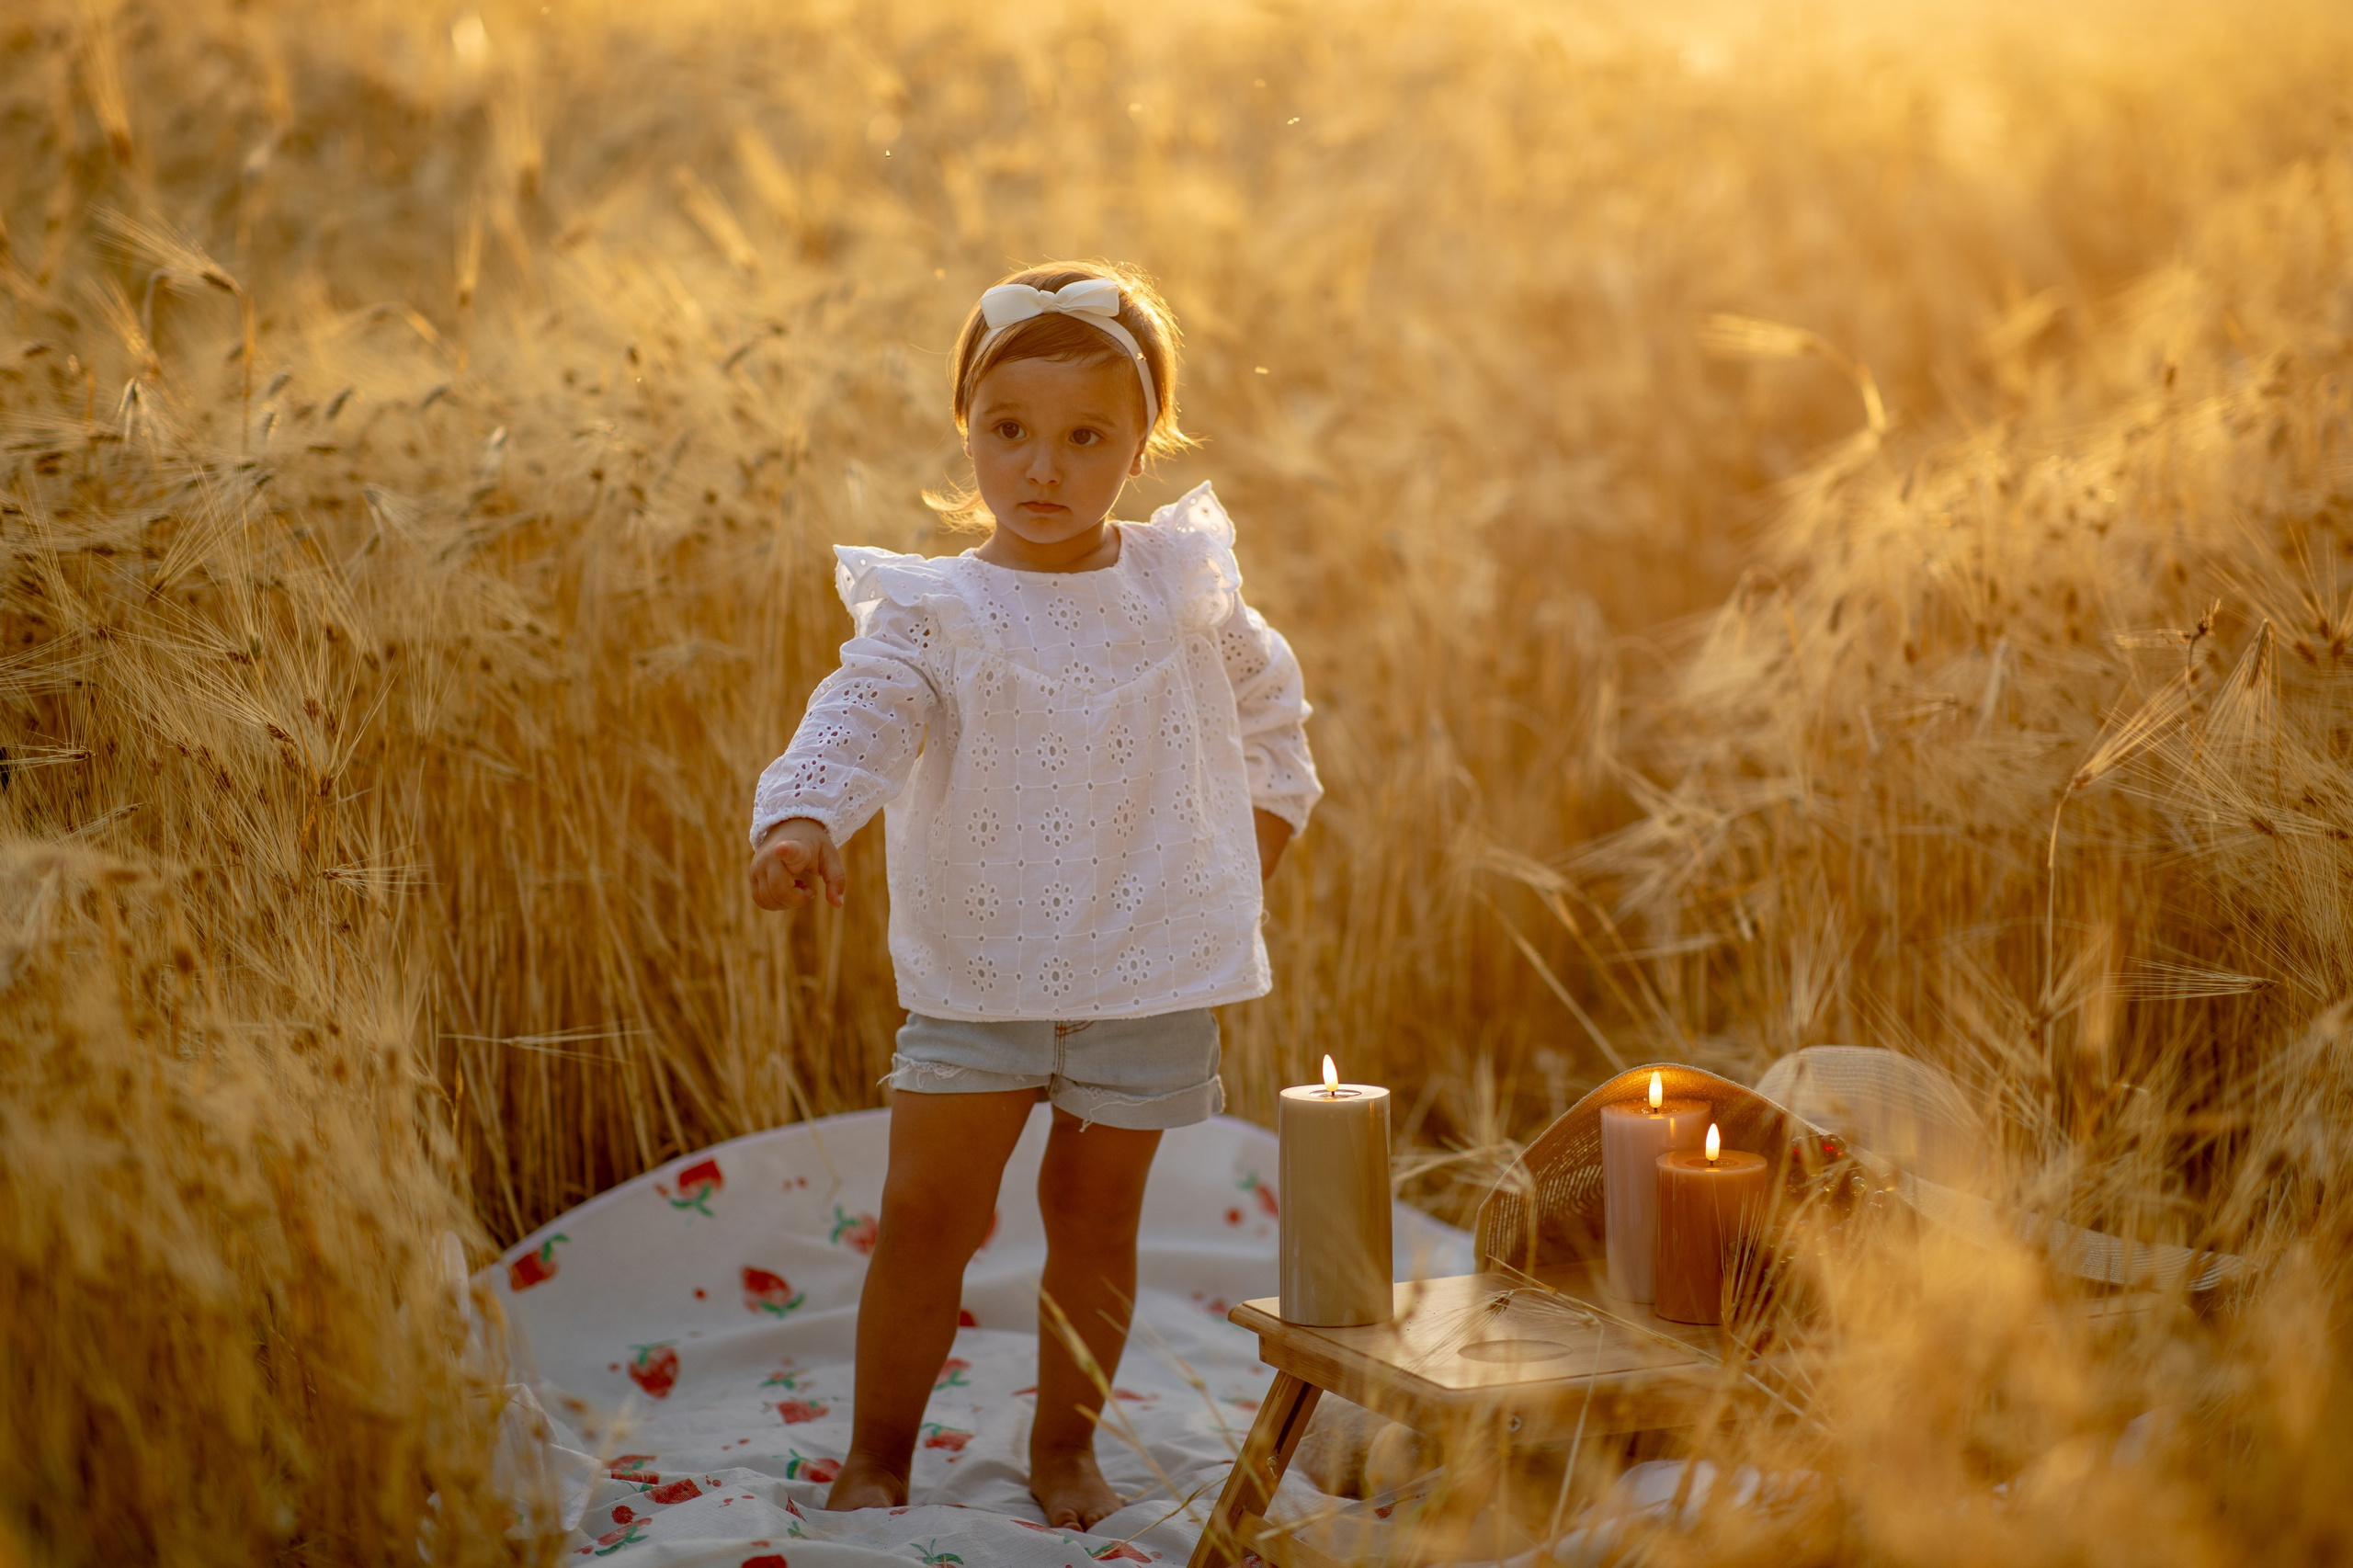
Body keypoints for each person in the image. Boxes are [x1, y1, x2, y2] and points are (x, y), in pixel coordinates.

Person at [747, 262, 1322, 1531]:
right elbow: (860, 715)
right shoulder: (939, 608)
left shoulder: (1182, 589)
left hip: (1146, 971)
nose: (1042, 467)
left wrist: (1238, 862)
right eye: (1009, 431)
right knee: (926, 1213)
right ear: (968, 426)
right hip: (984, 965)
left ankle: (1066, 1449)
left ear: (1140, 447)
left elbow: (1274, 719)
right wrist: (802, 814)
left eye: (1084, 438)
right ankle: (880, 1452)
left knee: (1094, 1217)